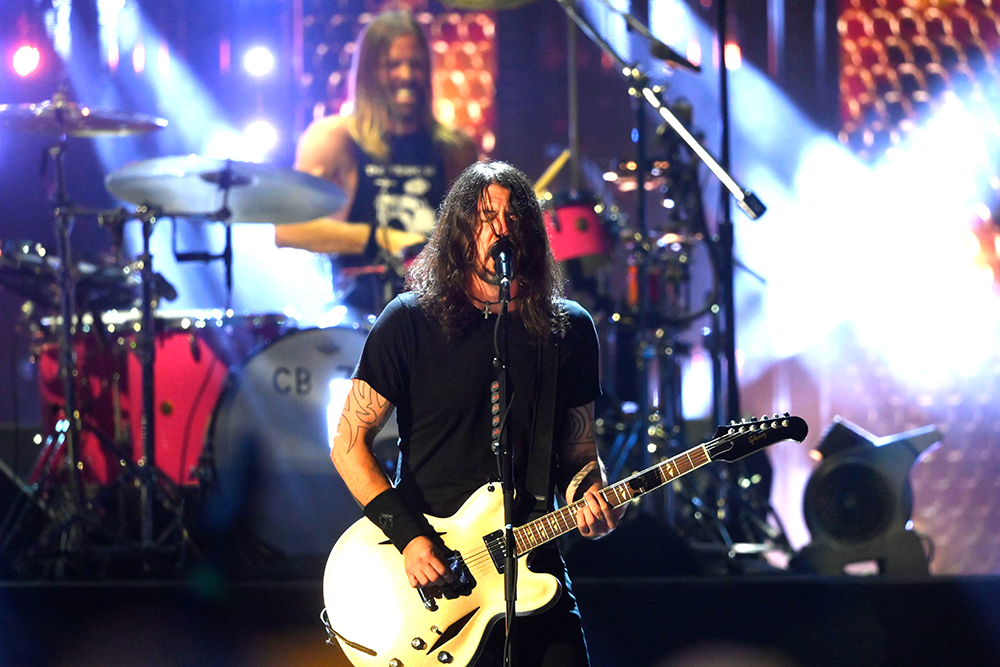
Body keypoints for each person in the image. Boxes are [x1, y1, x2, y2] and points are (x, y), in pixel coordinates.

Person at [329, 160, 625, 667]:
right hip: (437, 569)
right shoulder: (408, 320)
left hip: (536, 565)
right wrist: (409, 537)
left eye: (514, 217)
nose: (501, 228)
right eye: (486, 215)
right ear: (460, 230)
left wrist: (592, 496)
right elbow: (348, 445)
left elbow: (578, 452)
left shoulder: (568, 330)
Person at [275, 10, 477, 310]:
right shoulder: (335, 137)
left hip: (437, 314)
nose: (407, 75)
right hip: (356, 313)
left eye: (416, 64)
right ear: (369, 72)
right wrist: (381, 239)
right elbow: (289, 229)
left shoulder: (455, 148)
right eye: (392, 65)